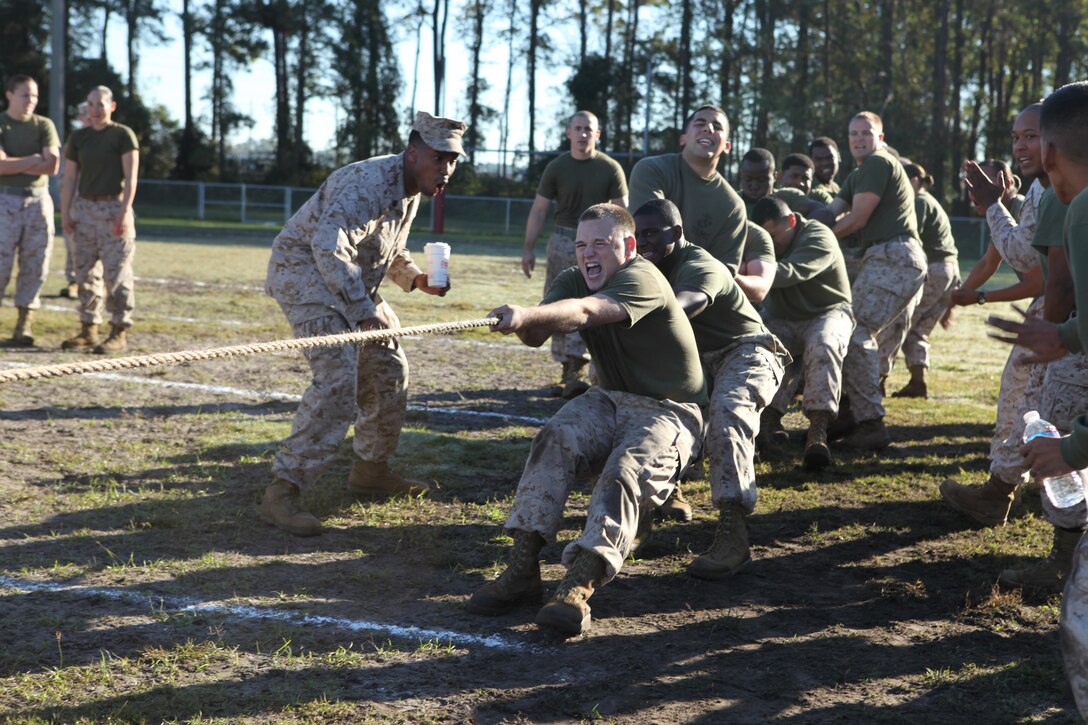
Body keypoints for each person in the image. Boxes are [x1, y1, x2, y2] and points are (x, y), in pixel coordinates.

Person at [467, 203, 706, 637]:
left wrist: (530, 315)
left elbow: (588, 312)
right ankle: (522, 569)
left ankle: (577, 587)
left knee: (624, 471)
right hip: (610, 397)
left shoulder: (643, 277)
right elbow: (538, 332)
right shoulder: (573, 278)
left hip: (670, 408)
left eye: (601, 243)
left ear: (629, 246)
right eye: (581, 245)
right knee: (555, 436)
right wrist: (520, 319)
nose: (587, 254)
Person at [260, 111, 464, 537]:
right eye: (438, 158)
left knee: (390, 370)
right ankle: (284, 488)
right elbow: (327, 247)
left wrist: (416, 278)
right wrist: (364, 313)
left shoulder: (413, 188)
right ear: (413, 153)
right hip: (306, 277)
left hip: (351, 284)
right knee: (338, 375)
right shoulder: (367, 183)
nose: (446, 168)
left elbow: (389, 247)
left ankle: (371, 471)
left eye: (453, 160)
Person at [982, 81, 1088, 719]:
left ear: (1049, 151)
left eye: (1031, 136)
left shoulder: (1078, 210)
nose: (1023, 146)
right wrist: (1066, 334)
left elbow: (1046, 273)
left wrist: (1073, 446)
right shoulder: (1073, 205)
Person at [633, 198, 787, 578]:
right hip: (697, 361)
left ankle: (733, 533)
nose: (643, 241)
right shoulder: (643, 268)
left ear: (678, 233)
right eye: (637, 235)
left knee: (727, 412)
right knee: (648, 414)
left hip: (747, 350)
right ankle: (647, 510)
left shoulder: (701, 264)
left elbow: (688, 304)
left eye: (652, 233)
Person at [940, 104, 1054, 533]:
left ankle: (1004, 495)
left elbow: (1025, 261)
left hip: (1062, 316)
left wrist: (993, 205)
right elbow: (995, 255)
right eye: (1016, 136)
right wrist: (967, 294)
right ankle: (1002, 490)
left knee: (1029, 404)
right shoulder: (1045, 188)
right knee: (1029, 401)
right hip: (1057, 314)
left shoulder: (1046, 192)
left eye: (1032, 135)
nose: (1021, 145)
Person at [813, 112, 926, 450]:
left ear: (881, 136)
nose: (859, 139)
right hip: (885, 257)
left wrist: (815, 241)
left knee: (856, 332)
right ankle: (848, 413)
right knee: (854, 332)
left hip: (894, 255)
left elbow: (858, 218)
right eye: (853, 134)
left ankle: (870, 423)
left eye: (866, 133)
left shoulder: (879, 162)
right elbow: (832, 210)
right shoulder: (859, 174)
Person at [521, 111, 628, 399]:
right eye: (577, 128)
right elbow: (539, 209)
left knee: (591, 304)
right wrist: (528, 249)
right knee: (556, 302)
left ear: (597, 135)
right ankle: (568, 369)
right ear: (568, 133)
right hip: (562, 241)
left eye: (588, 129)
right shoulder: (557, 167)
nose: (583, 134)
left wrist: (627, 251)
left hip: (598, 245)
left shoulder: (610, 168)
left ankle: (584, 367)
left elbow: (623, 214)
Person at [751, 196, 853, 470]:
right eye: (764, 236)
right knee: (756, 347)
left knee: (823, 343)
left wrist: (748, 274)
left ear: (792, 221)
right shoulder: (754, 239)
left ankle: (817, 432)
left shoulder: (818, 235)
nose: (770, 244)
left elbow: (791, 271)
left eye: (774, 235)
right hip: (781, 316)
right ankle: (763, 425)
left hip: (827, 312)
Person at [59, 85, 140, 355]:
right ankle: (88, 329)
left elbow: (131, 178)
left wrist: (124, 211)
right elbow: (69, 178)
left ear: (111, 106)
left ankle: (119, 331)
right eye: (90, 105)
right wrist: (66, 211)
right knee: (84, 273)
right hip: (84, 209)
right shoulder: (79, 137)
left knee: (116, 274)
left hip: (112, 208)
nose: (94, 110)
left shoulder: (122, 135)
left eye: (100, 105)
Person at [628, 105, 748, 272]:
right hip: (642, 274)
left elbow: (724, 272)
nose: (708, 128)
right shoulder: (651, 170)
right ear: (683, 138)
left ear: (727, 146)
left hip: (694, 289)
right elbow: (646, 238)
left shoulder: (733, 206)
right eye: (700, 123)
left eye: (717, 127)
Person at [875, 162, 960, 398]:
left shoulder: (918, 203)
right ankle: (917, 381)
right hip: (949, 270)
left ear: (912, 181)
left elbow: (913, 239)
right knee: (917, 329)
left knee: (896, 323)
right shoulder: (929, 200)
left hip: (934, 269)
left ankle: (877, 379)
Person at [0, 74, 60, 348]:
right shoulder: (2, 124)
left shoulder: (44, 125)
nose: (31, 101)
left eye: (34, 96)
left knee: (35, 263)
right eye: (25, 95)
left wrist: (17, 163)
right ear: (10, 94)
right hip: (5, 201)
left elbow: (53, 166)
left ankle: (24, 323)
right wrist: (35, 159)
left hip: (38, 201)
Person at [58, 101, 92, 300]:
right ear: (80, 118)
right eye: (86, 115)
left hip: (99, 201)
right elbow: (64, 176)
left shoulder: (111, 138)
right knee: (72, 244)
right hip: (75, 202)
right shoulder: (74, 142)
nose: (91, 117)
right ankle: (74, 282)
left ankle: (95, 283)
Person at [808, 136, 842, 204]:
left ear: (838, 157)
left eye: (829, 157)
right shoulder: (810, 190)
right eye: (818, 159)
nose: (825, 163)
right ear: (810, 162)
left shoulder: (836, 188)